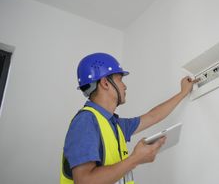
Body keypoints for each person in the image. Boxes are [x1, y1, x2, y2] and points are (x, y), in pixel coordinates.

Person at [60, 53, 197, 184]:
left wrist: (183, 93)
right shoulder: (85, 122)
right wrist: (135, 159)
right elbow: (85, 181)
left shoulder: (113, 123)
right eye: (120, 80)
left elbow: (153, 116)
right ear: (105, 83)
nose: (125, 86)